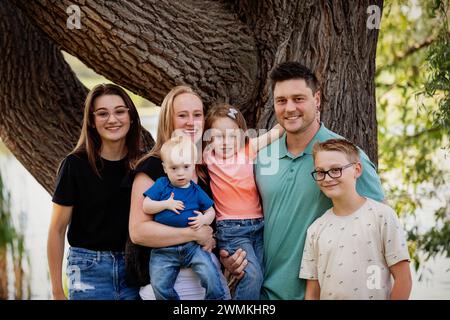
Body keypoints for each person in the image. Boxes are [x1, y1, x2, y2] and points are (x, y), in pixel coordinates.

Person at [222, 61, 385, 299]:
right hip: (264, 294)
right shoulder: (262, 157)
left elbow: (379, 230)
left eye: (298, 99)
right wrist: (233, 256)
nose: (290, 108)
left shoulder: (345, 158)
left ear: (316, 99)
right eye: (281, 100)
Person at [127, 85, 228, 300]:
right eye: (182, 115)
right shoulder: (153, 167)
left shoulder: (205, 169)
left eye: (197, 115)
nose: (191, 122)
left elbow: (216, 221)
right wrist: (194, 235)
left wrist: (225, 252)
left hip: (207, 281)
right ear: (168, 120)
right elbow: (138, 231)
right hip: (168, 282)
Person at [48, 83, 142, 300]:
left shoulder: (142, 165)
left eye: (119, 111)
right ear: (91, 121)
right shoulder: (74, 165)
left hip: (135, 269)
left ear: (131, 116)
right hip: (88, 269)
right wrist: (56, 291)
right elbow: (57, 230)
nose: (112, 119)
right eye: (102, 113)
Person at [300, 139, 412, 300]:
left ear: (357, 169)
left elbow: (404, 280)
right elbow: (312, 292)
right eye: (320, 172)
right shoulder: (315, 229)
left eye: (336, 169)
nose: (327, 178)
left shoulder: (382, 216)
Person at [203, 103, 283, 299]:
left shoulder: (248, 150)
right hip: (231, 230)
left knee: (261, 275)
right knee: (252, 276)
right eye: (218, 136)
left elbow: (276, 132)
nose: (225, 142)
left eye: (232, 135)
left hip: (259, 227)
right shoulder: (208, 157)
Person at [143, 136, 229, 300]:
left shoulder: (196, 190)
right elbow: (146, 205)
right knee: (159, 284)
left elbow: (211, 211)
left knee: (210, 275)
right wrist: (166, 204)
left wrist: (203, 220)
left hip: (192, 247)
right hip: (163, 250)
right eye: (174, 168)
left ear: (193, 167)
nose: (180, 172)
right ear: (165, 168)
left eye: (186, 167)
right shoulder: (162, 185)